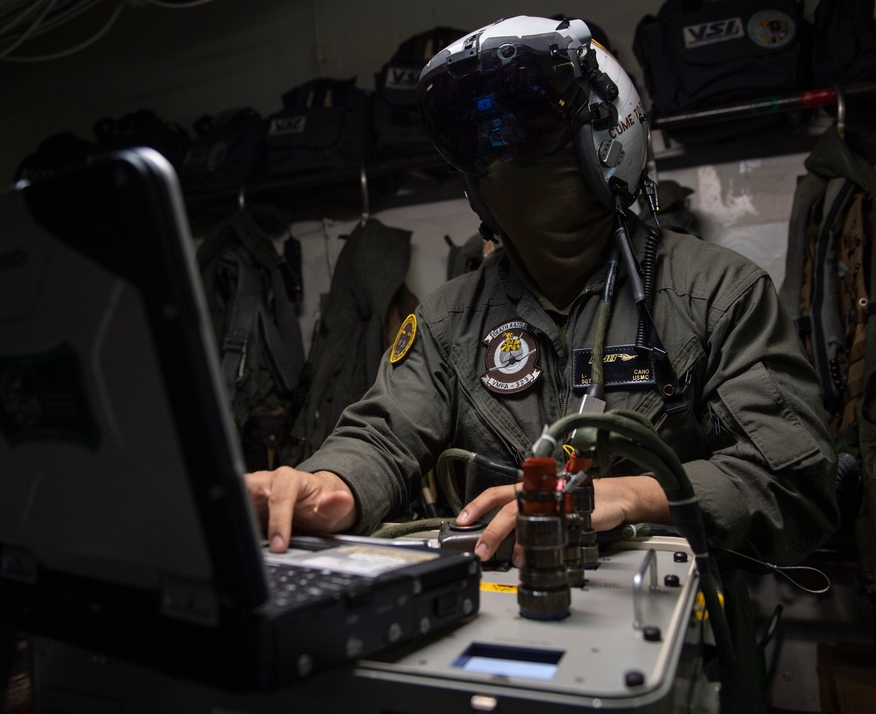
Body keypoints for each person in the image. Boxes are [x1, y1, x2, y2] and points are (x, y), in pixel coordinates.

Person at [244, 16, 838, 570]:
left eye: (533, 132)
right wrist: (331, 485)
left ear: (606, 136)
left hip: (678, 630)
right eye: (486, 147)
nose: (506, 162)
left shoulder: (718, 295)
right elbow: (383, 436)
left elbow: (799, 483)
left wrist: (640, 496)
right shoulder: (450, 319)